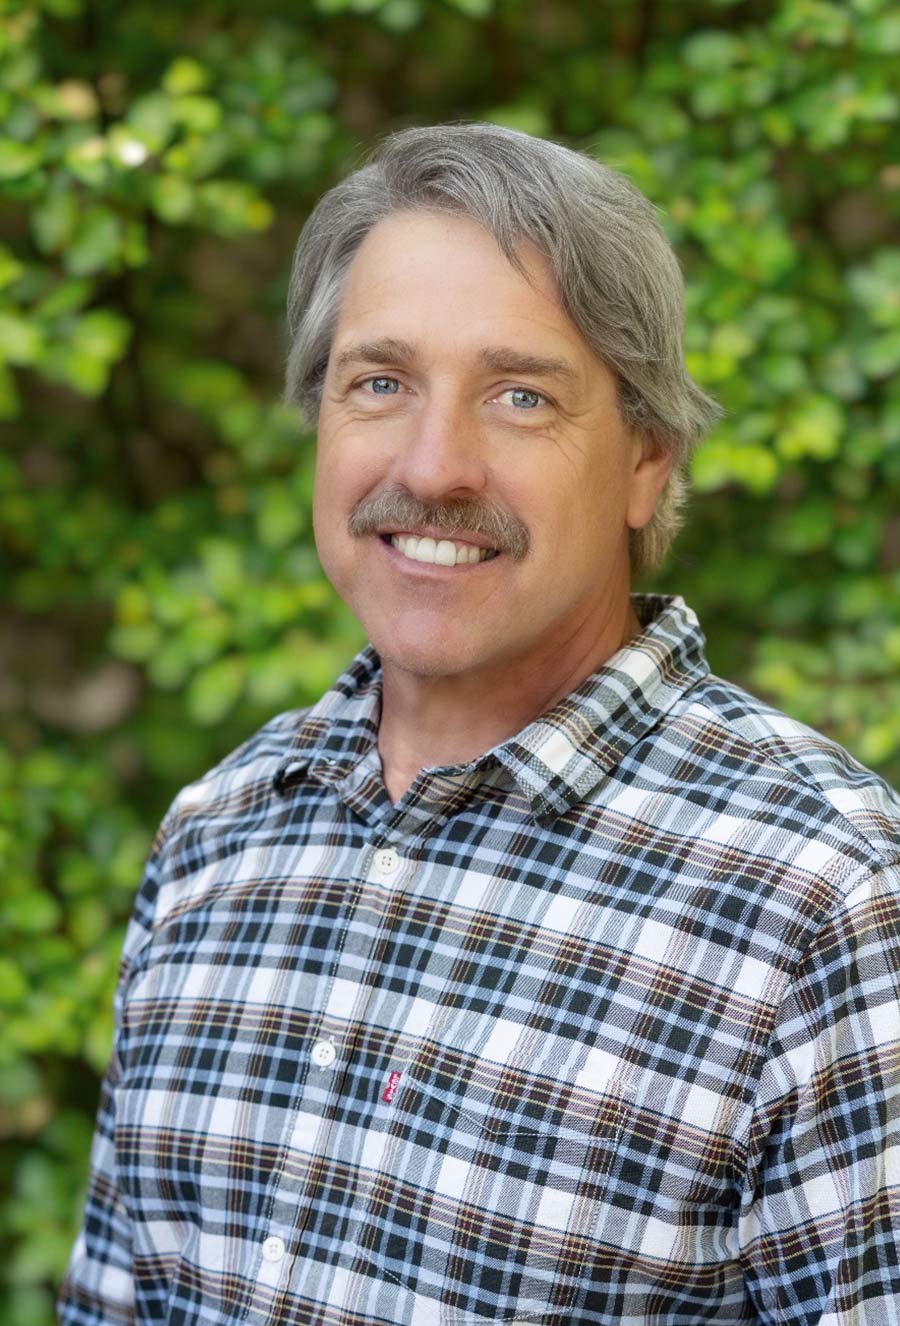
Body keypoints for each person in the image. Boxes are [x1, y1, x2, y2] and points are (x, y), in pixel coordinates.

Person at [59, 123, 900, 1326]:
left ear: (646, 459)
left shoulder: (823, 898)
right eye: (380, 383)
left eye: (519, 396)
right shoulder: (217, 837)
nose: (434, 466)